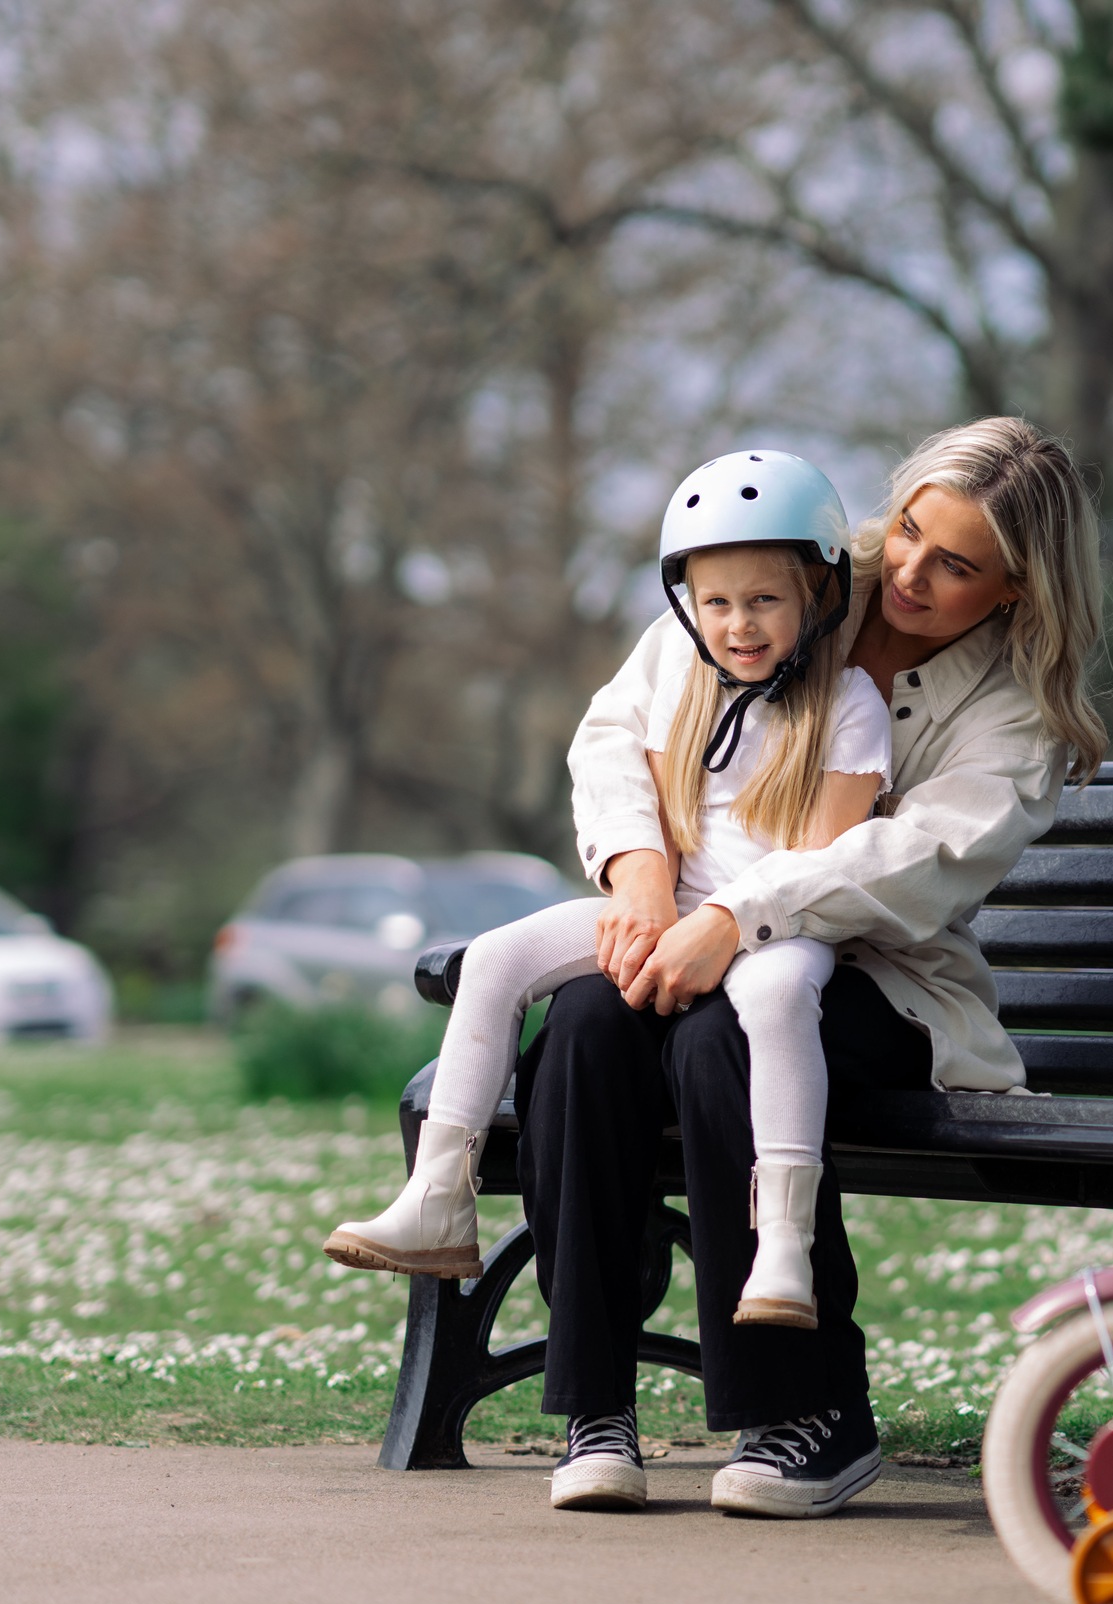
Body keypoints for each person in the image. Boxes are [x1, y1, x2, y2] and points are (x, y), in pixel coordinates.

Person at [534, 417, 1109, 1519]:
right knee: (586, 1024)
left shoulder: (1014, 714)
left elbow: (916, 861)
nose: (910, 571)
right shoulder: (792, 567)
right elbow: (618, 727)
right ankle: (594, 1406)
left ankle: (808, 1409)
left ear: (1017, 590)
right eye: (910, 530)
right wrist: (640, 875)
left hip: (880, 979)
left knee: (727, 1041)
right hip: (686, 922)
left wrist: (740, 916)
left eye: (956, 565)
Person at [321, 450, 886, 1362]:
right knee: (496, 958)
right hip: (674, 911)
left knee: (781, 998)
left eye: (764, 600)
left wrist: (721, 929)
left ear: (818, 594)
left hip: (777, 927)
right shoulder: (682, 683)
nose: (739, 624)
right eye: (717, 602)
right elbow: (650, 813)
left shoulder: (850, 703)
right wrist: (649, 901)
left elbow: (821, 859)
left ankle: (782, 1242)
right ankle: (439, 1195)